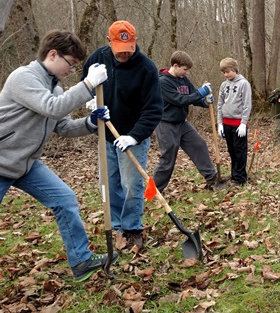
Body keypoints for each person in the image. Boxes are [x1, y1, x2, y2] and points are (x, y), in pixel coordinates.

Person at [0, 30, 117, 282]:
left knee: (64, 199)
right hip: (1, 161)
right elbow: (52, 108)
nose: (71, 70)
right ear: (53, 54)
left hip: (26, 165)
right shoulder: (24, 77)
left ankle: (81, 261)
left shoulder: (55, 88)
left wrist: (90, 122)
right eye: (71, 64)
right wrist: (87, 85)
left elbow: (62, 127)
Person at [81, 21, 163, 251]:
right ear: (109, 42)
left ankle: (132, 228)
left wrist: (135, 136)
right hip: (105, 133)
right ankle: (116, 226)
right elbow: (85, 80)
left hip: (131, 137)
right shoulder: (99, 57)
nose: (125, 54)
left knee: (131, 184)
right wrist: (87, 96)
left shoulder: (146, 68)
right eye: (119, 50)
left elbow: (154, 109)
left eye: (129, 49)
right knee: (108, 182)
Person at [152, 51, 220, 192]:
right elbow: (180, 100)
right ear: (175, 66)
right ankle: (153, 192)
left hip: (181, 123)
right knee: (168, 158)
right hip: (165, 124)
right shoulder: (163, 82)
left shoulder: (183, 80)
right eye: (185, 69)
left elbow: (192, 96)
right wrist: (201, 92)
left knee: (199, 144)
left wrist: (204, 102)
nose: (187, 73)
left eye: (188, 70)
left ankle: (212, 179)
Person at [216, 57, 252, 186]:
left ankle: (240, 177)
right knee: (231, 150)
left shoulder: (244, 84)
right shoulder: (224, 85)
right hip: (226, 123)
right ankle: (234, 174)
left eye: (228, 71)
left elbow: (247, 104)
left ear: (234, 69)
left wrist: (243, 122)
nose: (226, 74)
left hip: (238, 124)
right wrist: (219, 123)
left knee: (239, 151)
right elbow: (220, 104)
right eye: (223, 72)